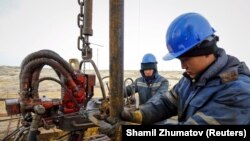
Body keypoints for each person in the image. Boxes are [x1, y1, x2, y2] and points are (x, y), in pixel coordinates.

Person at [121, 12, 250, 125]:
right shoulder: (189, 81)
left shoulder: (238, 92)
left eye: (186, 59)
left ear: (206, 49)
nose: (182, 66)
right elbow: (166, 104)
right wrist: (140, 115)